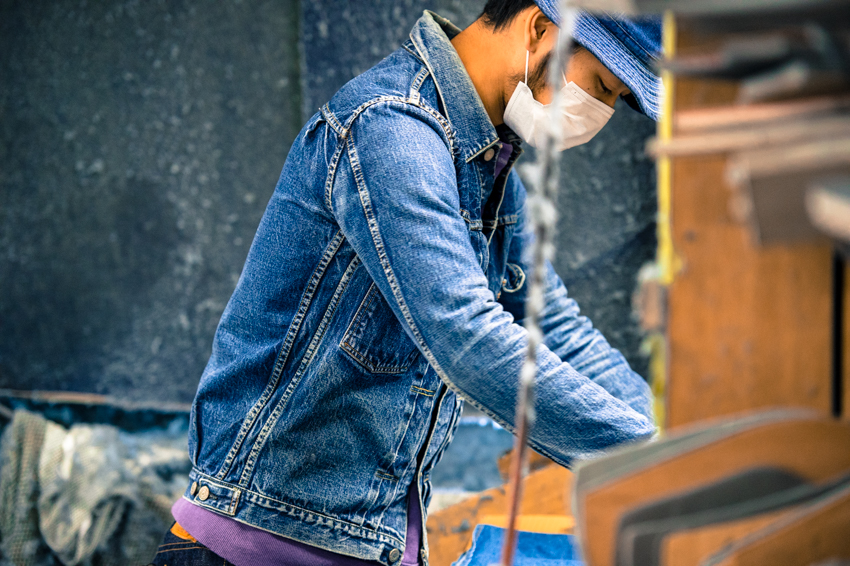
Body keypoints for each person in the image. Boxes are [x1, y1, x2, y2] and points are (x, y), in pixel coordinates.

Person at [148, 1, 663, 565]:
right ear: (542, 29)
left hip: (365, 546)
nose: (602, 111)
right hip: (255, 550)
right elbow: (470, 340)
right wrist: (655, 457)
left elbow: (557, 329)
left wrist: (684, 440)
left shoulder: (489, 170)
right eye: (604, 86)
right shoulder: (391, 128)